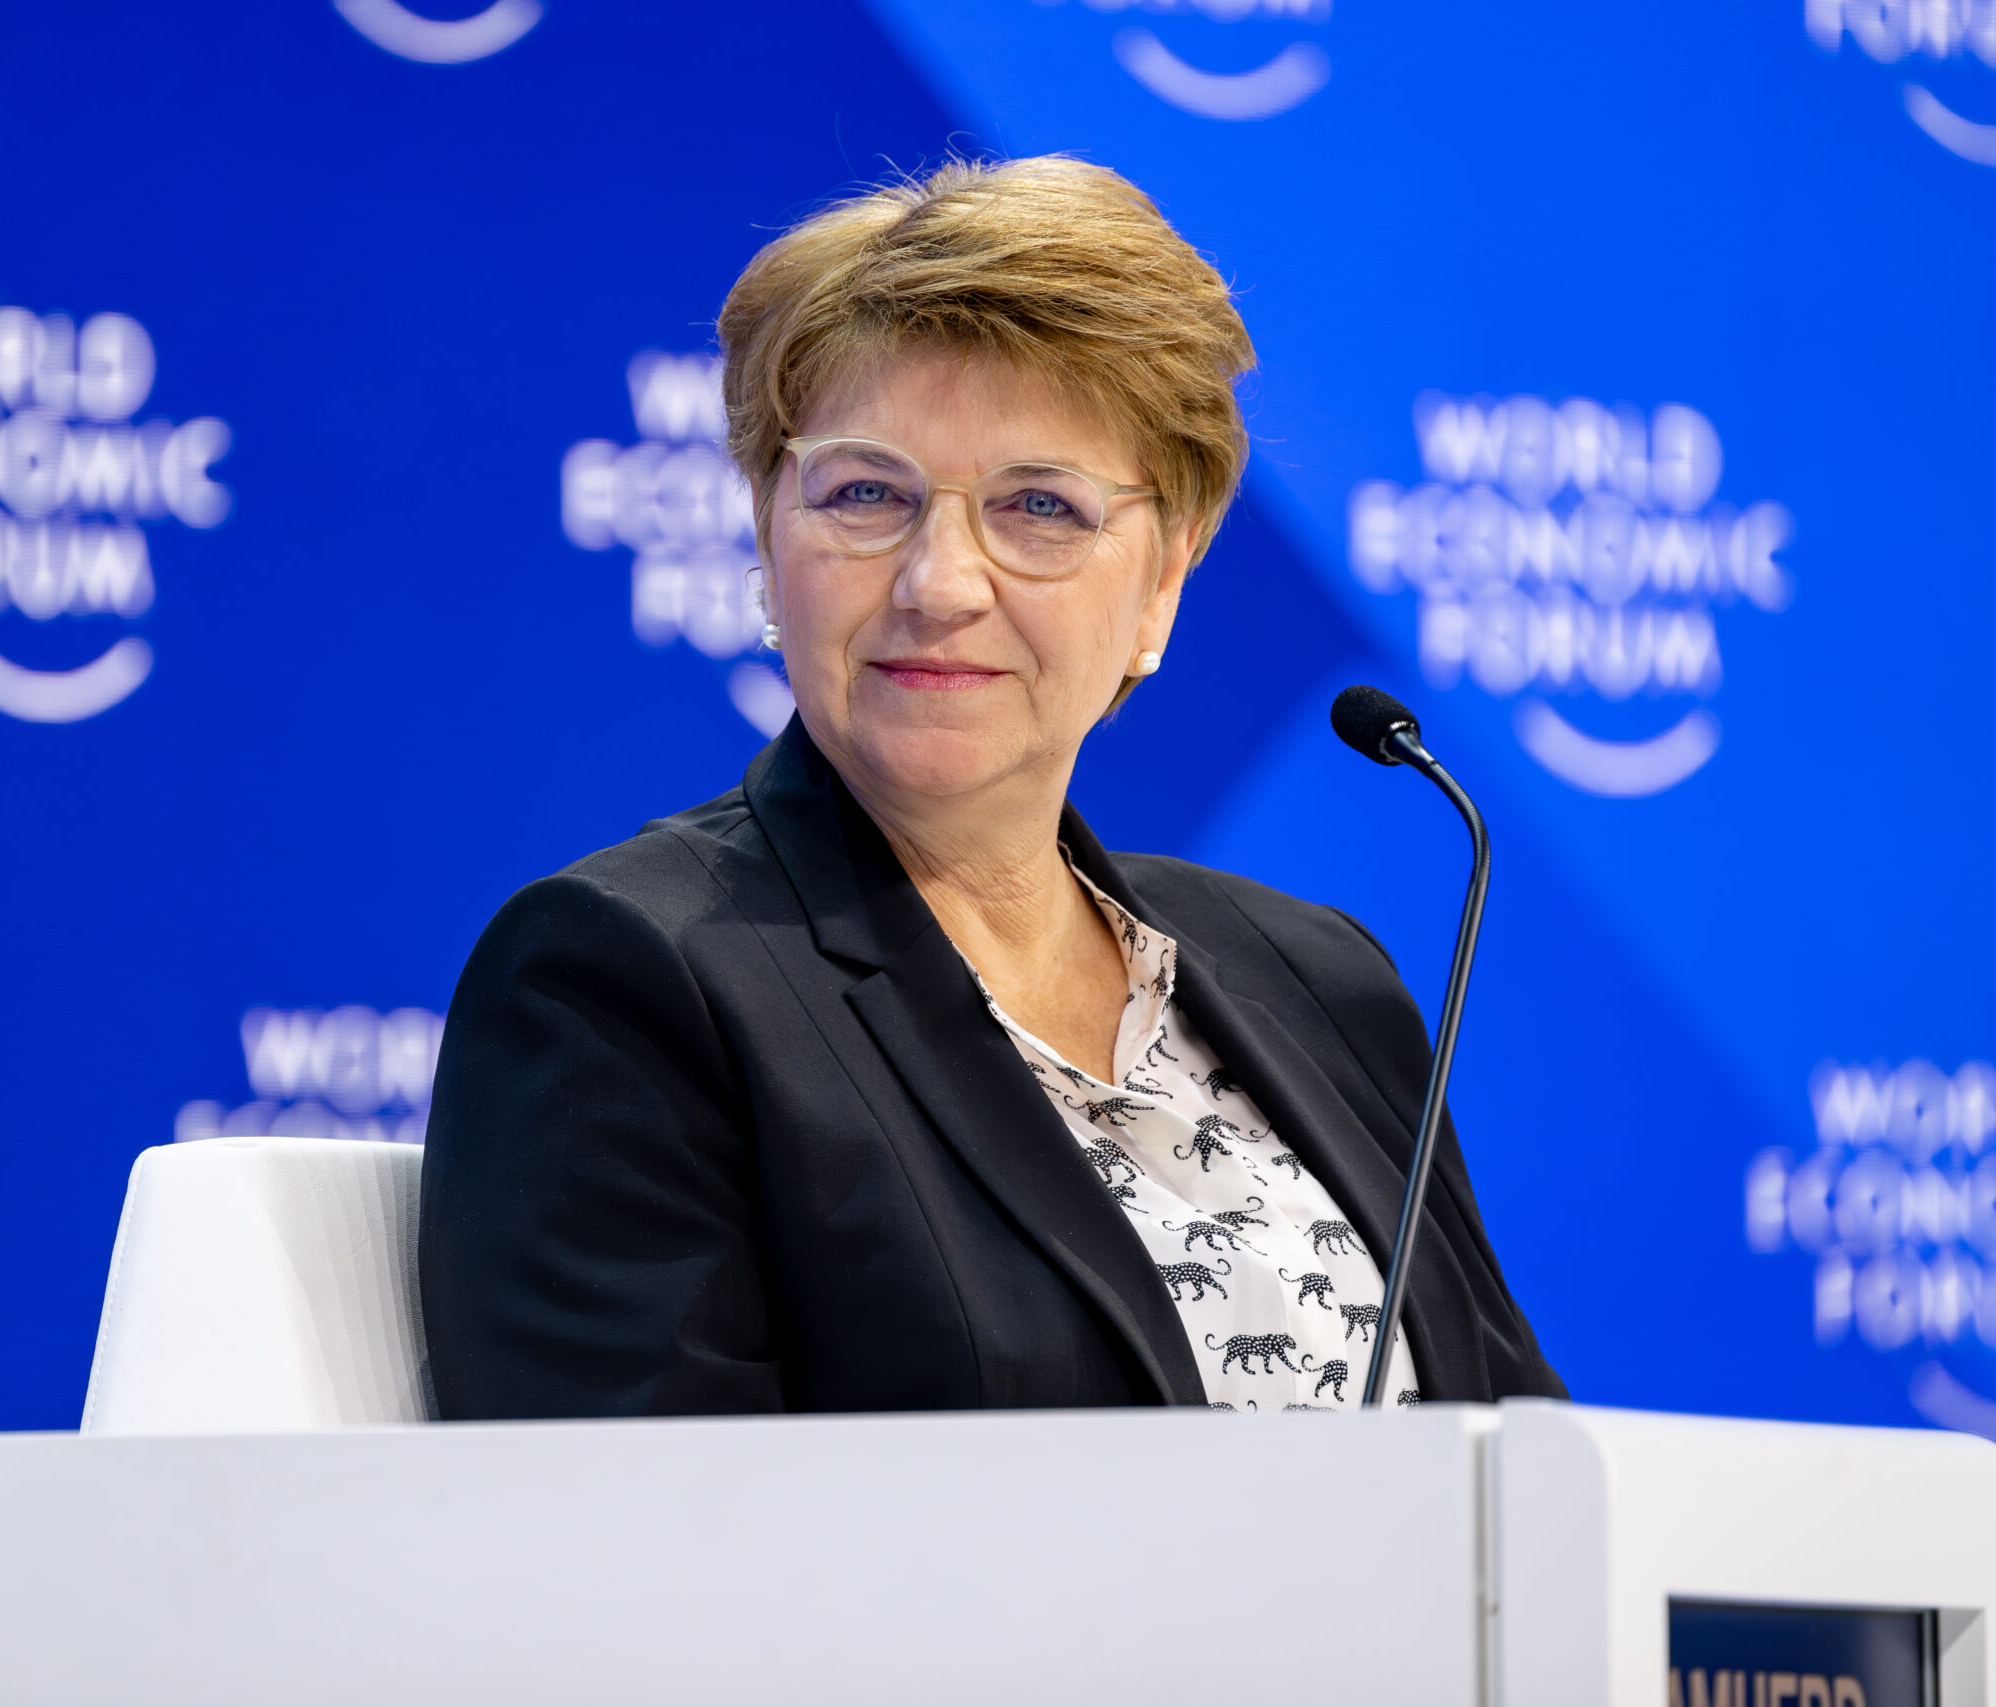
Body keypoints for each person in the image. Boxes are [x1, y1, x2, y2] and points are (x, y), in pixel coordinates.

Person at [420, 157, 1562, 1418]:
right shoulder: (628, 982)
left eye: (1039, 507)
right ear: (765, 535)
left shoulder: (1321, 981)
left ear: (1164, 579)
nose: (939, 582)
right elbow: (620, 1559)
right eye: (865, 495)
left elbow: (1531, 1469)